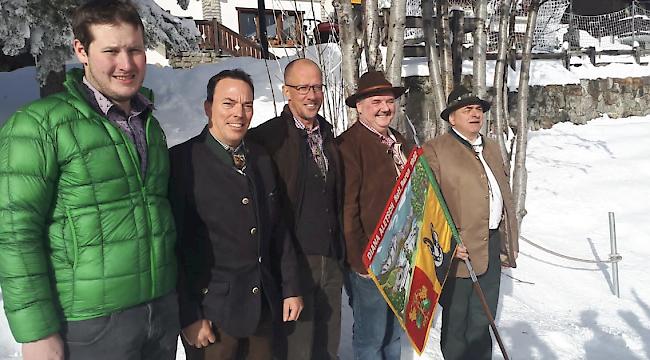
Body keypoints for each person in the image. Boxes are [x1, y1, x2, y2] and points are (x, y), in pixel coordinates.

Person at [0, 1, 179, 359]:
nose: (126, 64)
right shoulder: (39, 125)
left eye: (135, 50)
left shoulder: (149, 124)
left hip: (158, 316)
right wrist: (36, 332)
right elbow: (16, 232)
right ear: (81, 50)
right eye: (111, 51)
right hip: (89, 325)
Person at [170, 69, 303, 360]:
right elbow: (171, 249)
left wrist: (291, 286)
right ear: (208, 108)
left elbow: (278, 230)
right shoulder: (182, 162)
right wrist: (188, 315)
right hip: (213, 317)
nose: (239, 114)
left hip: (263, 311)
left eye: (247, 105)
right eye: (228, 104)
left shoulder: (261, 159)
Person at [247, 58, 345, 360]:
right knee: (297, 348)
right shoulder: (269, 138)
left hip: (330, 257)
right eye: (302, 87)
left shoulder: (327, 136)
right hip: (293, 261)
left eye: (317, 87)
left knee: (327, 346)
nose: (311, 95)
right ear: (286, 91)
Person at [422, 86, 519, 360]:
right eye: (467, 110)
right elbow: (430, 204)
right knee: (457, 322)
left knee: (483, 319)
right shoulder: (436, 150)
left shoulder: (491, 147)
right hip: (458, 252)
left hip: (490, 243)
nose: (475, 114)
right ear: (452, 118)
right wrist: (449, 243)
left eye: (478, 109)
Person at [337, 71, 413, 360]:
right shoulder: (349, 146)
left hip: (402, 255)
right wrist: (359, 260)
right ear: (359, 106)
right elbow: (348, 208)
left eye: (389, 101)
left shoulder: (401, 141)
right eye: (376, 101)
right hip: (370, 258)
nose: (385, 108)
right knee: (371, 336)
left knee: (393, 332)